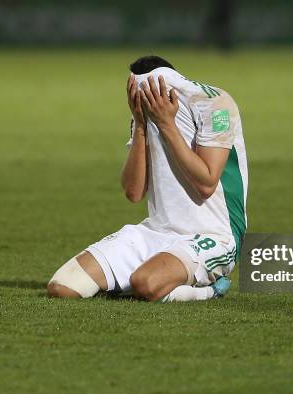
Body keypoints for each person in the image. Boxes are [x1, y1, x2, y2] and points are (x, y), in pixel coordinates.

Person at [47, 55, 248, 302]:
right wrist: (141, 125)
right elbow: (133, 191)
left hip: (212, 236)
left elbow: (206, 183)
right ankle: (150, 277)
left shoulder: (214, 103)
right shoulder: (147, 113)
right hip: (156, 231)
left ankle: (211, 291)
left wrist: (167, 125)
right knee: (64, 287)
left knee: (146, 283)